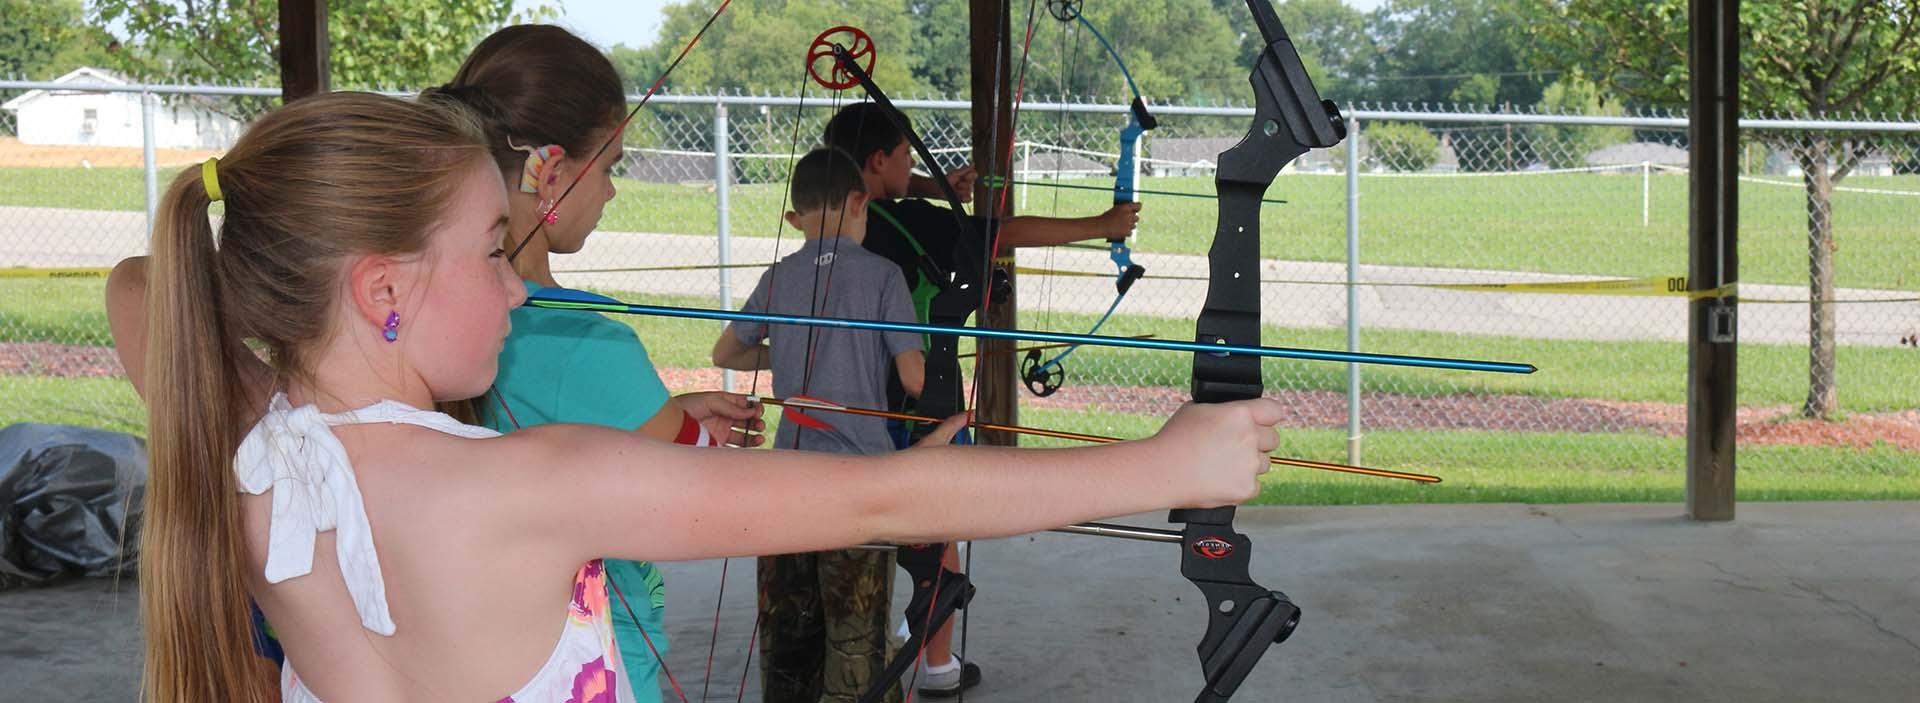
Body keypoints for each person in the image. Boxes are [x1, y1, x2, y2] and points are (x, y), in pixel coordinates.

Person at [136, 90, 1283, 702]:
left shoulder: (250, 448)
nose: (515, 290)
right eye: (493, 252)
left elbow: (147, 288)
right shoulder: (530, 485)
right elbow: (871, 503)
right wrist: (1168, 464)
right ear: (382, 290)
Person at [103, 25, 765, 700]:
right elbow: (703, 474)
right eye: (612, 163)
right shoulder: (589, 349)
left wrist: (285, 292)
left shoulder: (287, 441)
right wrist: (693, 430)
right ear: (553, 172)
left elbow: (138, 285)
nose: (613, 189)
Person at [821, 100, 1144, 696]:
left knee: (847, 527)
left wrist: (931, 185)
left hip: (838, 398)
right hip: (913, 401)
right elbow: (1000, 234)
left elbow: (879, 187)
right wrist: (1102, 225)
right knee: (937, 525)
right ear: (878, 159)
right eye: (905, 159)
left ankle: (848, 656)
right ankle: (937, 668)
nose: (912, 171)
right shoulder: (914, 220)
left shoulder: (829, 219)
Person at [710, 148, 923, 702]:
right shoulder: (883, 275)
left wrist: (785, 357)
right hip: (860, 487)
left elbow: (727, 353)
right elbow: (916, 379)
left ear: (795, 219)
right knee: (858, 652)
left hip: (785, 484)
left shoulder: (779, 275)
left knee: (788, 648)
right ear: (859, 202)